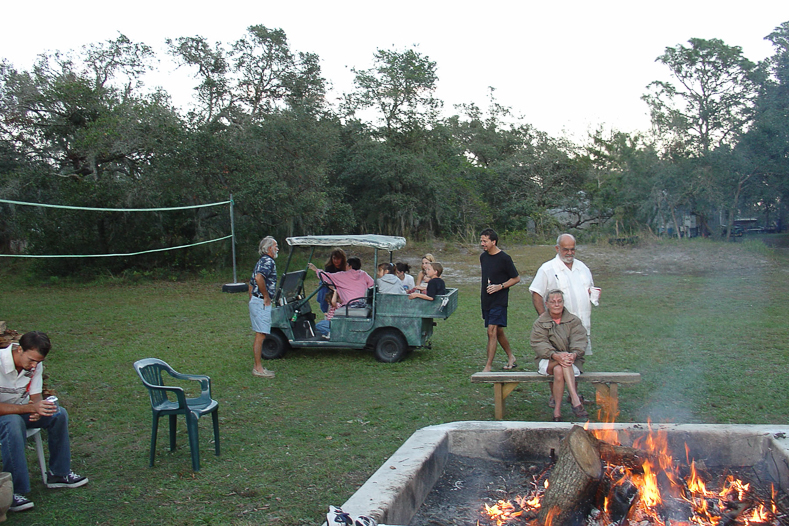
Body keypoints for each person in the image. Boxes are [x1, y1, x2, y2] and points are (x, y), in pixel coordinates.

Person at [0, 331, 89, 513]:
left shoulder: (35, 365)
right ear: (19, 349)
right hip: (6, 417)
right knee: (13, 423)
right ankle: (14, 491)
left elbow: (35, 396)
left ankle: (59, 473)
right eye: (31, 360)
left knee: (58, 414)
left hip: (21, 411)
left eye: (38, 362)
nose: (34, 366)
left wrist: (38, 409)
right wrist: (29, 409)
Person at [528, 233, 596, 407]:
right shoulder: (548, 269)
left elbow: (589, 289)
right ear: (557, 248)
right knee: (556, 359)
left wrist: (592, 294)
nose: (569, 253)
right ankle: (554, 396)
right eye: (566, 249)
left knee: (576, 357)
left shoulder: (583, 268)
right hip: (556, 326)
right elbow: (536, 293)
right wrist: (544, 318)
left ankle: (574, 395)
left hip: (579, 324)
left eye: (572, 249)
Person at [530, 290, 589, 421]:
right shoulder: (540, 323)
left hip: (571, 360)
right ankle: (575, 400)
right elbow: (539, 343)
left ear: (563, 303)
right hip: (547, 360)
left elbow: (580, 339)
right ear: (547, 304)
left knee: (560, 368)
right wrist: (554, 355)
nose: (556, 304)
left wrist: (574, 354)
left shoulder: (574, 321)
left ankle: (557, 411)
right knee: (562, 362)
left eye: (559, 301)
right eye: (553, 302)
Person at [479, 228, 521, 372]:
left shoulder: (504, 258)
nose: (482, 244)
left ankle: (488, 366)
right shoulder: (483, 257)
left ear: (494, 242)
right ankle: (511, 356)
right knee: (498, 331)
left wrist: (500, 286)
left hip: (499, 300)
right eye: (481, 241)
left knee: (491, 331)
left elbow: (516, 278)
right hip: (486, 300)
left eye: (485, 241)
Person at [308, 258, 375, 336]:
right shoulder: (363, 274)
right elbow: (372, 284)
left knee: (319, 325)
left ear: (349, 266)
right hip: (362, 304)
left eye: (346, 264)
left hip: (349, 306)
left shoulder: (342, 275)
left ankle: (333, 334)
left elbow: (326, 276)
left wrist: (316, 269)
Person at [249, 236, 278, 379]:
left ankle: (258, 367)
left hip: (257, 301)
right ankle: (258, 368)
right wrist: (265, 296)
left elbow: (251, 283)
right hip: (261, 302)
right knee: (260, 334)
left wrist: (252, 299)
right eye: (275, 246)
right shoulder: (268, 261)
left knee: (261, 333)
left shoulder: (261, 261)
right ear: (269, 248)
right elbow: (258, 278)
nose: (277, 249)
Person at [317, 249, 347, 313]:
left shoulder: (345, 267)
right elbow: (327, 279)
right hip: (330, 285)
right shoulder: (329, 267)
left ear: (342, 259)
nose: (336, 261)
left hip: (341, 285)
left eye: (338, 259)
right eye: (334, 258)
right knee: (323, 285)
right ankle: (325, 310)